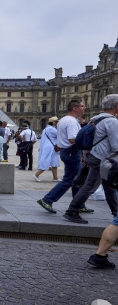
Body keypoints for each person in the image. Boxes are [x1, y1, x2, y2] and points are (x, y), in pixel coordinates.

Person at [63, 95, 118, 224]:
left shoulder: (96, 119)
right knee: (90, 185)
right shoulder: (112, 121)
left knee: (109, 186)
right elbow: (116, 145)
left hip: (95, 156)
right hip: (102, 158)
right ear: (116, 106)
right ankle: (72, 210)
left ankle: (116, 213)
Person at [37, 99, 90, 214]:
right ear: (75, 108)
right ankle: (47, 200)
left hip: (68, 152)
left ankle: (79, 204)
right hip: (72, 152)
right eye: (82, 106)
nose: (84, 107)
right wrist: (87, 142)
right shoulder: (71, 122)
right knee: (69, 180)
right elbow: (72, 139)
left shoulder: (64, 120)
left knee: (78, 180)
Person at [33, 117, 60, 182]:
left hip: (49, 147)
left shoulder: (46, 129)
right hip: (50, 147)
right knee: (46, 162)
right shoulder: (51, 129)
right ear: (53, 123)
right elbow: (59, 135)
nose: (57, 123)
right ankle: (36, 175)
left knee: (54, 162)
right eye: (56, 122)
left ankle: (55, 178)